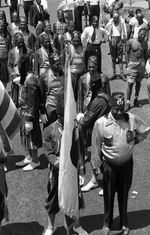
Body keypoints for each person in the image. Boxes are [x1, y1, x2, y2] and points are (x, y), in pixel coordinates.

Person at [91, 91, 150, 235]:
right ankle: (107, 223)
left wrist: (135, 141)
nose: (119, 112)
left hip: (126, 165)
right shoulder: (101, 123)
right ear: (110, 107)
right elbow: (95, 148)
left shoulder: (131, 119)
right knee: (108, 196)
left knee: (124, 195)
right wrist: (97, 171)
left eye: (121, 109)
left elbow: (145, 131)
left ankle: (124, 222)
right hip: (109, 166)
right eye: (116, 109)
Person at [42, 100, 88, 235]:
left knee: (74, 198)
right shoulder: (49, 130)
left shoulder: (76, 130)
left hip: (73, 170)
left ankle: (76, 225)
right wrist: (60, 165)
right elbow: (48, 153)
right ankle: (50, 227)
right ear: (60, 116)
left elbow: (81, 151)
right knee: (53, 197)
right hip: (56, 172)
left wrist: (81, 172)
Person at [77, 79, 111, 193]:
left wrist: (80, 118)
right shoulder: (105, 97)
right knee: (96, 157)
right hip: (102, 131)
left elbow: (85, 121)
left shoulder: (98, 102)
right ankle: (94, 180)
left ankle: (104, 184)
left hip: (101, 132)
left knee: (101, 157)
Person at [15, 51, 45, 172]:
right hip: (23, 111)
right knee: (25, 136)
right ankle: (29, 156)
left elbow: (33, 102)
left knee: (32, 137)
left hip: (29, 113)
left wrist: (29, 118)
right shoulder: (26, 78)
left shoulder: (31, 81)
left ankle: (36, 160)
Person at [126, 28, 148, 110]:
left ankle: (136, 99)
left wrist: (146, 66)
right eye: (141, 34)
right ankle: (128, 102)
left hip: (141, 64)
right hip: (132, 63)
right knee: (130, 83)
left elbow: (146, 55)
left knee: (138, 82)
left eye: (144, 35)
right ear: (138, 33)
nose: (142, 36)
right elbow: (126, 52)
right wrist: (128, 62)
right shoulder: (131, 41)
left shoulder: (145, 44)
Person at [39, 52, 64, 127]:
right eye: (57, 65)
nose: (59, 66)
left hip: (62, 106)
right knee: (49, 129)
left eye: (60, 64)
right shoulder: (44, 76)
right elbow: (41, 96)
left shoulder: (64, 74)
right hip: (51, 107)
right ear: (51, 65)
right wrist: (42, 113)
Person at [105, 12, 127, 80]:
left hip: (119, 40)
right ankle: (114, 73)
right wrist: (108, 39)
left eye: (117, 18)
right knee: (113, 59)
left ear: (119, 18)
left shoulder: (121, 24)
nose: (116, 20)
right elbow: (106, 29)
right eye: (114, 18)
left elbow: (124, 31)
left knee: (120, 58)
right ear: (113, 18)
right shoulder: (110, 24)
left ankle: (121, 74)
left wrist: (124, 40)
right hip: (113, 40)